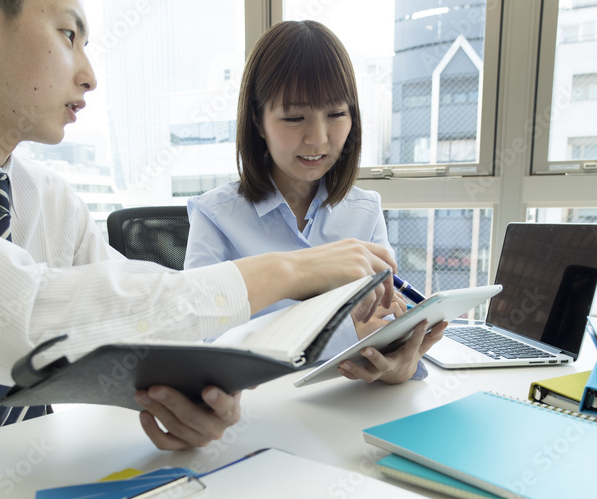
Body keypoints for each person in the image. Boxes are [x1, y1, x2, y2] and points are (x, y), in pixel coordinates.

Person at [0, 0, 398, 482]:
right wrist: (288, 272)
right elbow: (23, 320)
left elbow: (137, 332)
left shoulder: (47, 200)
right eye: (69, 35)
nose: (90, 75)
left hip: (22, 483)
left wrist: (190, 397)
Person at [186, 20, 445, 384]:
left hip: (346, 407)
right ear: (258, 121)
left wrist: (399, 364)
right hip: (256, 417)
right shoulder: (215, 216)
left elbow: (383, 320)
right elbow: (203, 345)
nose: (318, 139)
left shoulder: (365, 211)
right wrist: (343, 334)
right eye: (294, 117)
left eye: (337, 114)